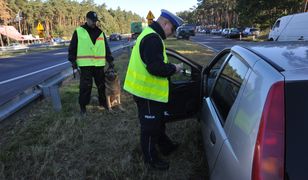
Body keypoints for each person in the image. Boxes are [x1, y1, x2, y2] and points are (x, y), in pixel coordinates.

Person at [123, 9, 184, 170]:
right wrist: (174, 68)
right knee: (150, 128)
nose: (172, 33)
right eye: (172, 29)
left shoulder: (150, 35)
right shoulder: (153, 39)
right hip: (146, 93)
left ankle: (166, 146)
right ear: (165, 23)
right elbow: (155, 67)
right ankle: (151, 159)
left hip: (148, 91)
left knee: (158, 123)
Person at [68, 11, 114, 115]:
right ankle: (83, 107)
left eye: (96, 21)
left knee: (102, 86)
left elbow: (106, 48)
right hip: (85, 66)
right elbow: (72, 49)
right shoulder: (79, 31)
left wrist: (110, 61)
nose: (94, 23)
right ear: (87, 19)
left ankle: (104, 104)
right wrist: (73, 63)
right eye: (92, 21)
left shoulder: (100, 32)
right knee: (85, 87)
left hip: (99, 65)